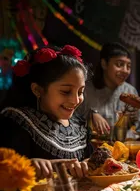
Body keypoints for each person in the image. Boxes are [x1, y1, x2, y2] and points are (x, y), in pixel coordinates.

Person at [0, 45, 92, 179]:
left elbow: (89, 159)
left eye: (80, 92)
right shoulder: (15, 122)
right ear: (38, 90)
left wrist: (88, 164)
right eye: (66, 92)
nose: (75, 100)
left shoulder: (79, 124)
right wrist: (28, 166)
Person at [77, 42, 140, 135]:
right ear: (104, 64)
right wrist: (91, 115)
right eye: (119, 64)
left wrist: (132, 121)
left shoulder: (130, 91)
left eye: (128, 66)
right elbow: (70, 121)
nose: (125, 71)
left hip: (124, 146)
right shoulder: (85, 90)